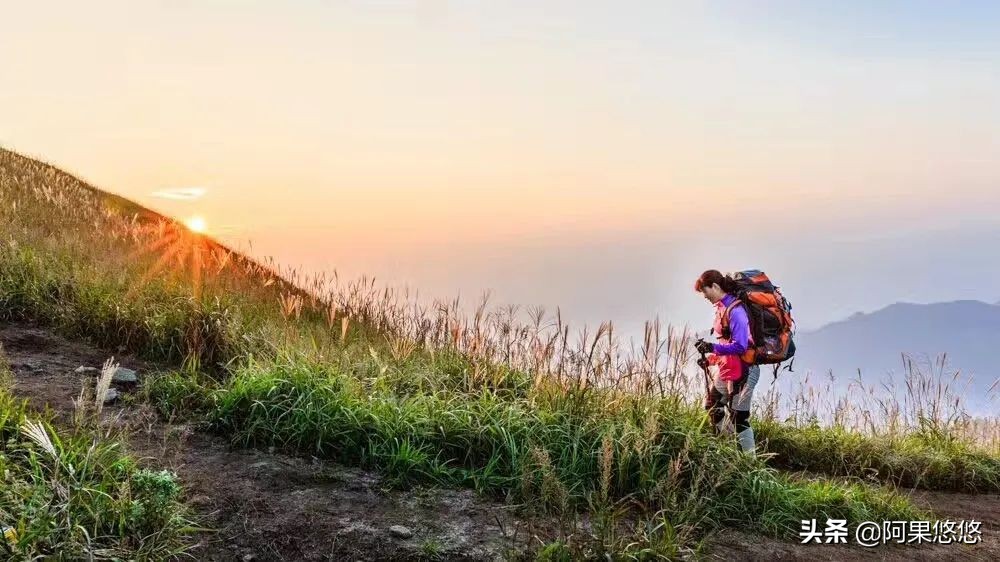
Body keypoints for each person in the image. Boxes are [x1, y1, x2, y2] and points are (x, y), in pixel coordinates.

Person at [694, 269, 759, 454]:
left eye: (705, 291)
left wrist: (712, 348)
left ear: (715, 286)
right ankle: (729, 452)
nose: (705, 296)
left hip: (746, 370)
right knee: (712, 406)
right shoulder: (722, 307)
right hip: (729, 368)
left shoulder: (736, 311)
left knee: (740, 417)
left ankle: (749, 463)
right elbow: (726, 343)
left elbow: (740, 346)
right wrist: (712, 359)